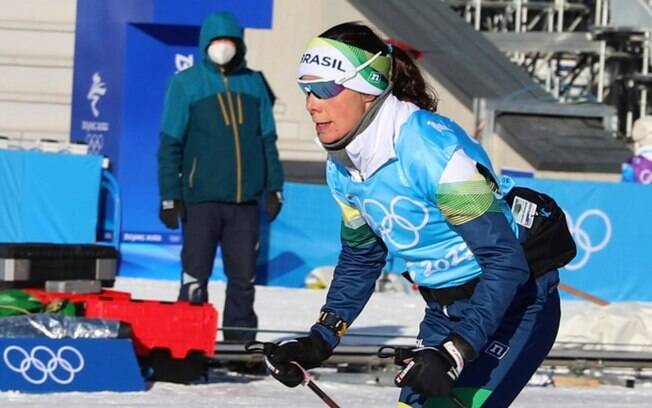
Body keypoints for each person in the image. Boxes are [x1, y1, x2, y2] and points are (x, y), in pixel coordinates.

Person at [264, 22, 561, 407]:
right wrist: (322, 337)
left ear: (368, 88)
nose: (311, 103)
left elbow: (504, 261)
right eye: (307, 89)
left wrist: (455, 351)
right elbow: (361, 257)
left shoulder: (428, 149)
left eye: (324, 89)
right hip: (445, 310)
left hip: (512, 305)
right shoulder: (342, 166)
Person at [157, 11, 284, 343]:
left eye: (229, 42)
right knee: (195, 275)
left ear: (240, 45)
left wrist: (275, 187)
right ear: (205, 44)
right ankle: (188, 341)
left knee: (243, 278)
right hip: (201, 200)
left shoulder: (255, 82)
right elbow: (170, 144)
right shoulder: (185, 84)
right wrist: (170, 195)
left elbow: (267, 139)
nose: (223, 48)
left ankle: (240, 343)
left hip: (244, 203)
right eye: (217, 42)